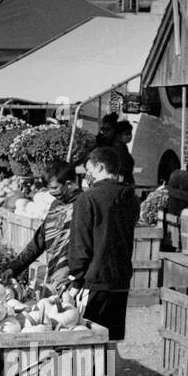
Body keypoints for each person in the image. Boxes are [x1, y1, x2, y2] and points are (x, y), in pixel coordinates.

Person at [67, 143, 140, 342]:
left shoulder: (87, 199)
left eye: (89, 170)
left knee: (88, 340)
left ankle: (97, 374)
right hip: (121, 279)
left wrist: (76, 278)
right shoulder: (131, 199)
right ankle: (111, 373)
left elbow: (80, 244)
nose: (87, 176)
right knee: (111, 339)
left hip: (94, 281)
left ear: (100, 167)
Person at [4, 160, 79, 288]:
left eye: (55, 188)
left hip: (75, 280)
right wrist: (15, 268)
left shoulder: (83, 205)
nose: (52, 193)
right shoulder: (56, 206)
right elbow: (40, 240)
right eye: (49, 188)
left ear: (69, 184)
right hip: (56, 277)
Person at [113, 119, 136, 185]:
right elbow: (122, 169)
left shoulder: (122, 146)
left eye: (130, 133)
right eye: (126, 134)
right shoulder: (119, 148)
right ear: (118, 135)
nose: (130, 136)